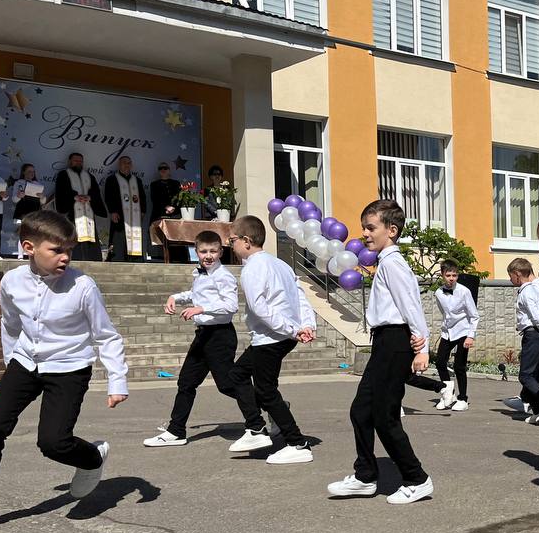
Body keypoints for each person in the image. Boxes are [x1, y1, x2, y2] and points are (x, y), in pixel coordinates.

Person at [0, 211, 128, 533]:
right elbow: (10, 324)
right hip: (24, 363)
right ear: (29, 247)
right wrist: (10, 367)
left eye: (69, 251)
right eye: (56, 250)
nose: (65, 257)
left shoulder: (82, 287)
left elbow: (106, 335)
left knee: (53, 442)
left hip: (69, 366)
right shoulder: (12, 281)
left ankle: (91, 459)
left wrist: (117, 380)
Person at [326, 199, 434, 504]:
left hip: (396, 342)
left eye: (371, 228)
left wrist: (422, 347)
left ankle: (417, 478)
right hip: (385, 341)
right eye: (364, 227)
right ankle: (365, 477)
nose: (364, 234)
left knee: (384, 416)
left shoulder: (393, 263)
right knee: (361, 410)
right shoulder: (385, 262)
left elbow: (411, 305)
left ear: (392, 230)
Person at [142, 231, 268, 448]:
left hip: (220, 336)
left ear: (220, 252)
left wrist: (201, 308)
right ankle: (176, 431)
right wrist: (175, 297)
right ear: (196, 252)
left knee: (228, 385)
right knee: (186, 382)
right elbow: (195, 293)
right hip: (203, 335)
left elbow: (230, 306)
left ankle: (263, 417)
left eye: (212, 251)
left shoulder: (224, 276)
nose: (208, 255)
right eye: (203, 251)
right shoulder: (201, 274)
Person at [225, 215, 317, 464]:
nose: (229, 245)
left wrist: (293, 329)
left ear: (246, 241)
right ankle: (260, 425)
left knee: (264, 390)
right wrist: (305, 325)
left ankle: (296, 443)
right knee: (238, 376)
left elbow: (260, 308)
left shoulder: (252, 268)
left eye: (231, 240)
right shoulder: (281, 265)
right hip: (282, 335)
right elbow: (301, 297)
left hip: (271, 337)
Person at [508, 257, 539, 424]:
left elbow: (538, 316)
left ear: (517, 274)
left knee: (525, 375)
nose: (510, 280)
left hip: (534, 334)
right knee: (537, 372)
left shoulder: (527, 291)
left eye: (511, 276)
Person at [427, 260, 479, 411]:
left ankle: (463, 398)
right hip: (447, 331)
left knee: (459, 366)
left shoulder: (464, 291)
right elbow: (444, 313)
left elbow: (474, 315)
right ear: (442, 275)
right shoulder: (438, 293)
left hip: (463, 330)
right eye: (448, 275)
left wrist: (471, 335)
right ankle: (448, 393)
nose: (451, 278)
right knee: (440, 362)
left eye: (454, 275)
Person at [53, 152, 106, 262]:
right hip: (72, 213)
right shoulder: (64, 174)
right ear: (70, 162)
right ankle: (73, 258)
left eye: (80, 161)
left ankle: (93, 259)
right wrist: (74, 197)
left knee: (90, 236)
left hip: (88, 214)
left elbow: (96, 192)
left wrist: (89, 197)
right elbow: (61, 192)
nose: (78, 163)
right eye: (75, 160)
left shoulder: (89, 176)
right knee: (72, 235)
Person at [101, 156, 150, 262]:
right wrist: (112, 211)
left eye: (128, 163)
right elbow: (108, 196)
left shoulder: (137, 180)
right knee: (119, 238)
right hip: (119, 214)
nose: (126, 165)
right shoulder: (112, 179)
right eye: (124, 163)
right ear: (119, 164)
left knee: (135, 237)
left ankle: (136, 259)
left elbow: (142, 197)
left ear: (131, 165)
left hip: (135, 216)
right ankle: (117, 258)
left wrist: (143, 211)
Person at [1, 163, 49, 258]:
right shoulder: (19, 183)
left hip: (34, 211)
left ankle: (32, 255)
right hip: (22, 211)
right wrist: (19, 196)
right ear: (24, 172)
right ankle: (20, 255)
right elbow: (14, 199)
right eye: (29, 171)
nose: (32, 173)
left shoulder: (37, 184)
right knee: (23, 233)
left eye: (33, 171)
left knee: (34, 235)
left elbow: (43, 202)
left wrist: (42, 197)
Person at [149, 162, 185, 263]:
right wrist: (166, 207)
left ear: (169, 170)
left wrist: (174, 207)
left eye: (165, 168)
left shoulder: (176, 183)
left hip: (175, 214)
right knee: (159, 237)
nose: (163, 170)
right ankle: (159, 258)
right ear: (159, 171)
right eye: (161, 168)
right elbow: (154, 199)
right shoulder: (154, 184)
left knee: (176, 237)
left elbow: (180, 198)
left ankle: (178, 259)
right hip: (159, 213)